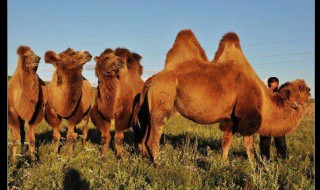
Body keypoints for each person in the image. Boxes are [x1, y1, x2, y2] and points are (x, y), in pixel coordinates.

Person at [259, 77, 288, 160]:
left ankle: (283, 160)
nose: (273, 89)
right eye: (271, 87)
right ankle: (265, 161)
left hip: (278, 123)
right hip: (266, 122)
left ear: (278, 85)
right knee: (264, 143)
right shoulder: (264, 94)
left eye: (275, 87)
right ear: (268, 85)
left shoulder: (282, 95)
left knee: (281, 143)